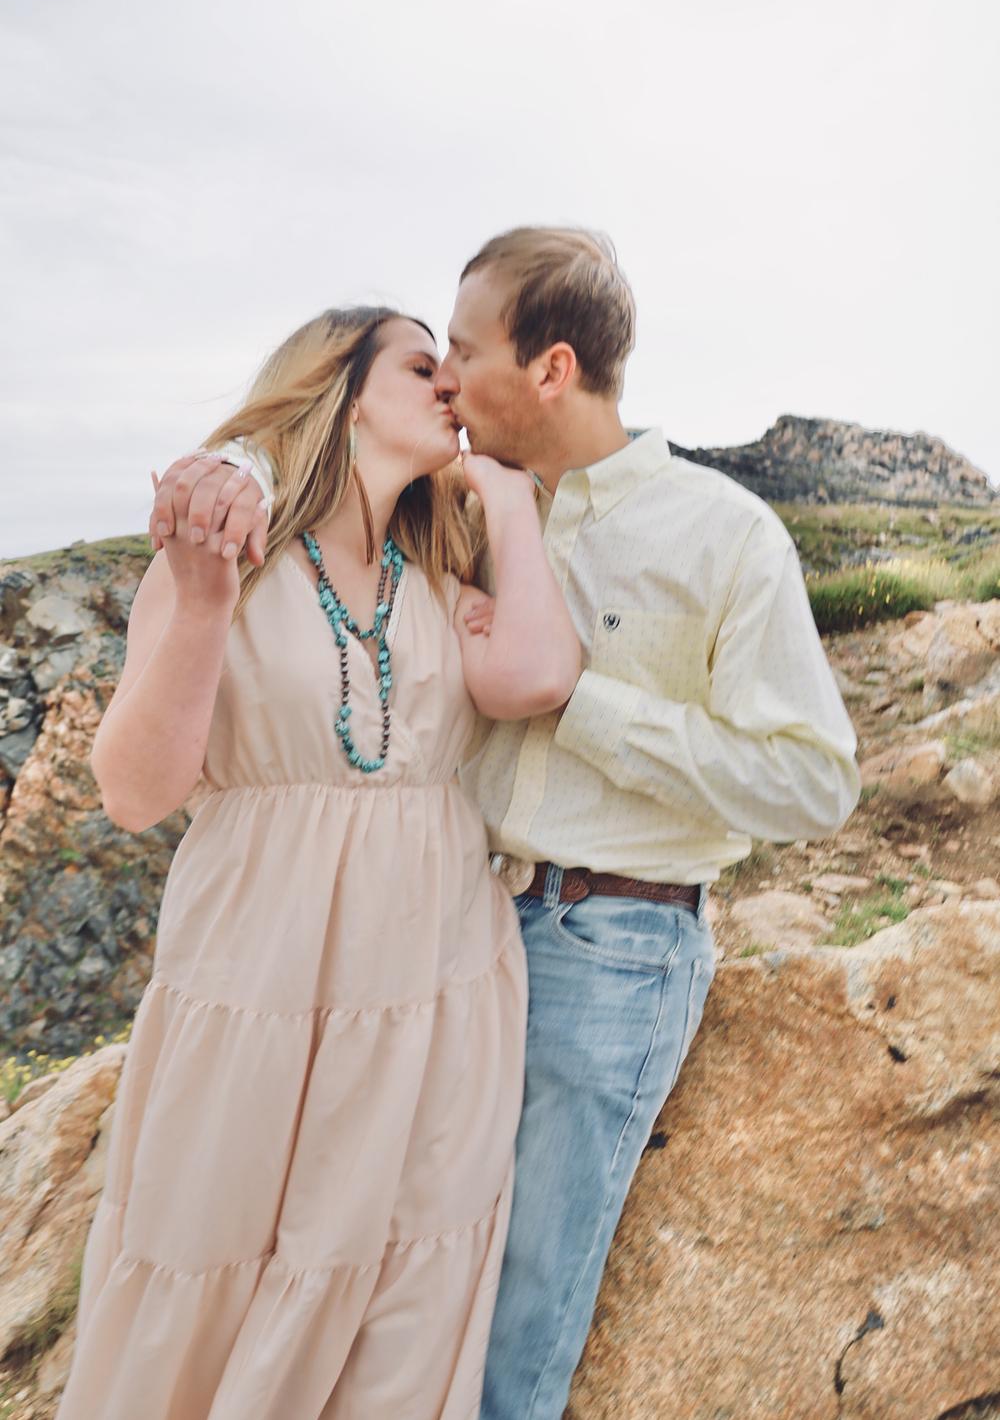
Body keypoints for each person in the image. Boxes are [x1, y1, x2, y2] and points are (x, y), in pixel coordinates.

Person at [151, 227, 862, 1419]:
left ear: (550, 368)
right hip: (444, 941)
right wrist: (239, 470)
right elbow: (329, 465)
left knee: (508, 1327)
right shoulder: (459, 509)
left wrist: (583, 703)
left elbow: (812, 784)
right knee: (393, 1294)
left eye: (466, 351)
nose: (446, 377)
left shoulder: (725, 535)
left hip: (609, 954)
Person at [56, 305, 582, 1420]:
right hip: (257, 987)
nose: (450, 385)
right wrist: (204, 604)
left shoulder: (440, 572)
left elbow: (539, 675)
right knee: (208, 1273)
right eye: (421, 366)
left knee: (404, 1302)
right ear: (339, 394)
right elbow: (135, 793)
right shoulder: (223, 560)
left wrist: (505, 496)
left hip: (433, 998)